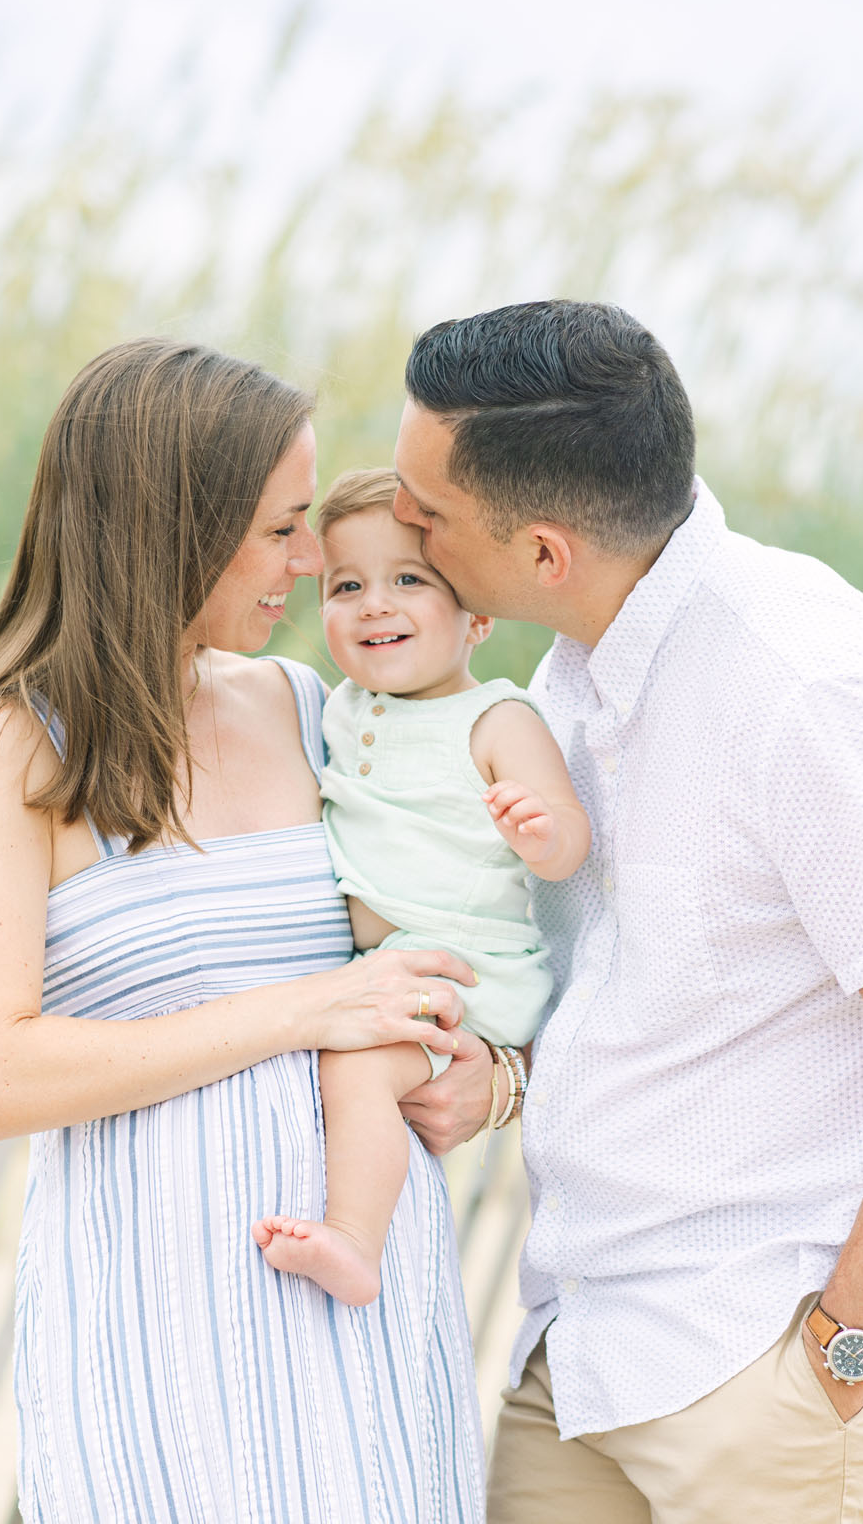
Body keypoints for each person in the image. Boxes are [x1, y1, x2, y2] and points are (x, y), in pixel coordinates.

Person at [389, 300, 863, 1524]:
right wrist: (498, 1081)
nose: (398, 529)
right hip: (589, 1349)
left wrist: (841, 1359)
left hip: (781, 1366)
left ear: (544, 550)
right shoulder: (567, 676)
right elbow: (632, 1000)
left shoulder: (805, 685)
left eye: (424, 514)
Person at [0, 339, 486, 1523]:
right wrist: (302, 1008)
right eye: (279, 528)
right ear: (173, 523)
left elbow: (453, 923)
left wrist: (488, 1068)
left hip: (364, 1290)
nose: (316, 559)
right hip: (162, 1302)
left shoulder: (309, 709)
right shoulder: (4, 747)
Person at [253, 468, 590, 1306]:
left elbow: (569, 842)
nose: (374, 603)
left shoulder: (494, 719)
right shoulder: (339, 709)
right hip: (399, 962)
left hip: (463, 967)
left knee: (358, 1071)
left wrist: (537, 831)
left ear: (476, 613)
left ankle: (354, 1242)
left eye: (409, 580)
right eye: (346, 585)